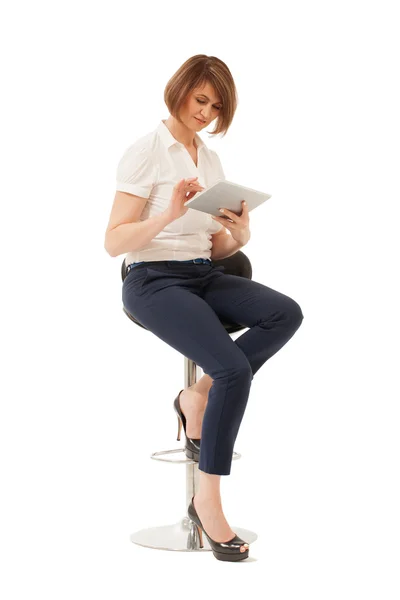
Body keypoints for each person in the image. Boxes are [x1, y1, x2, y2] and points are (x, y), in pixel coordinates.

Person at [104, 54, 304, 562]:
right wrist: (168, 213)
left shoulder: (208, 159)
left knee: (286, 313)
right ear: (180, 90)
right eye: (201, 100)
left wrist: (237, 233)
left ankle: (197, 396)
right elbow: (113, 241)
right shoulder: (145, 152)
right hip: (151, 278)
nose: (206, 113)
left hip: (202, 272)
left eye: (216, 106)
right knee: (234, 368)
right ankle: (208, 502)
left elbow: (211, 243)